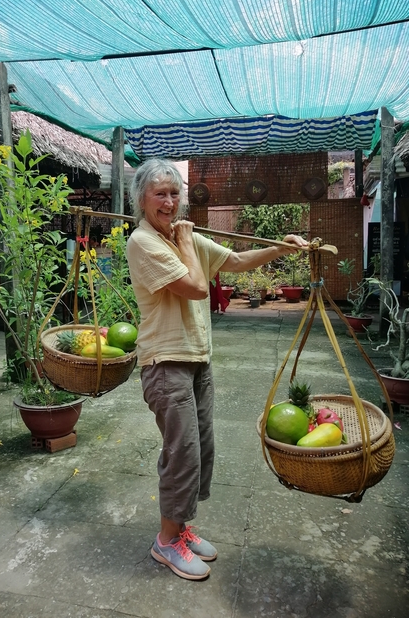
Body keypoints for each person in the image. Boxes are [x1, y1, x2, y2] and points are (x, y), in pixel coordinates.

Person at [126, 158, 307, 581]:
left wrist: (281, 247)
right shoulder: (143, 241)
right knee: (182, 453)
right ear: (142, 200)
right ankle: (166, 542)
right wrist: (188, 241)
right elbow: (194, 287)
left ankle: (181, 529)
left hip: (196, 361)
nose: (169, 202)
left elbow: (238, 262)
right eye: (160, 194)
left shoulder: (185, 238)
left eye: (175, 194)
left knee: (202, 449)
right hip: (165, 363)